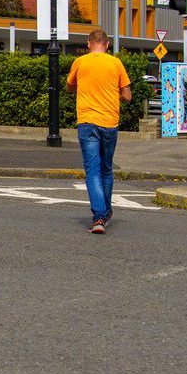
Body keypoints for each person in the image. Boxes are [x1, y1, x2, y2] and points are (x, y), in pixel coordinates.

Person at [66, 29, 131, 233]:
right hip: (110, 122)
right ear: (107, 44)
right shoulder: (115, 63)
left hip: (87, 122)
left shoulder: (80, 62)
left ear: (88, 44)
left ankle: (99, 217)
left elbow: (69, 87)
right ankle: (106, 210)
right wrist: (113, 93)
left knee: (92, 170)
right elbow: (127, 96)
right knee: (106, 168)